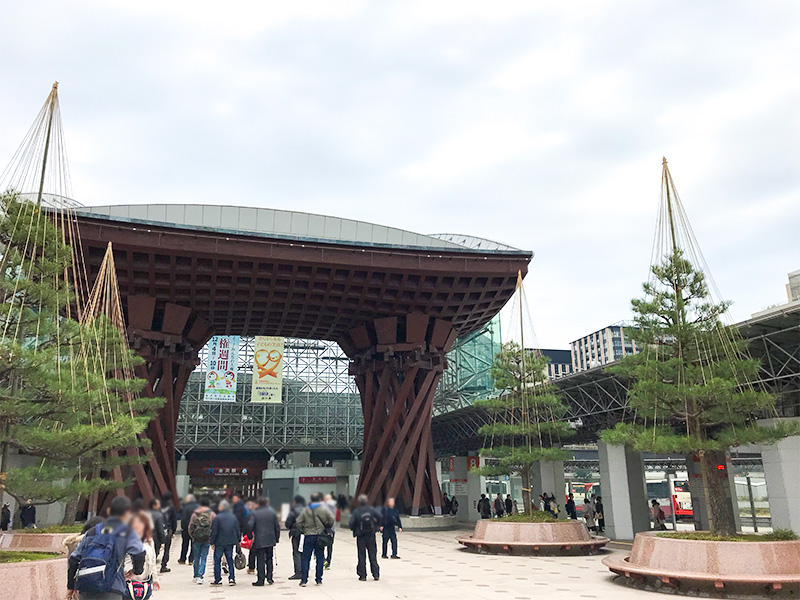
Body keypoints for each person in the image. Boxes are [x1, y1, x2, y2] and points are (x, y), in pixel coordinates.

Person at [67, 496, 145, 600]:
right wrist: (136, 570)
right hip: (112, 588)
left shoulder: (92, 531)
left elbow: (73, 559)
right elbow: (139, 554)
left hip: (86, 588)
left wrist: (71, 586)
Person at [296, 492, 334, 587]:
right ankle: (318, 579)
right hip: (320, 536)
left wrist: (304, 530)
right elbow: (331, 519)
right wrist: (326, 526)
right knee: (320, 557)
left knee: (306, 558)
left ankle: (304, 580)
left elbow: (298, 522)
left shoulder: (306, 510)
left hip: (309, 535)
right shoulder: (324, 509)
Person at [124, 510, 161, 598]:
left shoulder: (149, 540)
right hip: (129, 582)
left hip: (145, 582)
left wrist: (155, 579)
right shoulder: (126, 540)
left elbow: (153, 561)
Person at [246, 496, 280, 587]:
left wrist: (250, 536)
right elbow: (277, 527)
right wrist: (276, 538)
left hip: (259, 540)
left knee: (260, 560)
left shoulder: (255, 513)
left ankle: (261, 580)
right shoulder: (272, 513)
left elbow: (249, 525)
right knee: (269, 559)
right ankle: (270, 577)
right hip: (270, 539)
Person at [349, 494, 381, 582]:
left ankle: (362, 575)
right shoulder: (371, 509)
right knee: (373, 555)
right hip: (371, 535)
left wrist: (355, 529)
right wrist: (376, 528)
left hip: (361, 536)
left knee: (361, 556)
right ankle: (375, 574)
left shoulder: (357, 511)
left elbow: (351, 523)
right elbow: (379, 517)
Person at [210, 499, 240, 587]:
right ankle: (232, 578)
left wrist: (212, 542)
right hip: (230, 542)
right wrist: (238, 540)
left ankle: (218, 579)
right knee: (230, 560)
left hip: (219, 543)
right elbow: (237, 530)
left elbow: (214, 531)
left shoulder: (217, 518)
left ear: (221, 507)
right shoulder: (233, 517)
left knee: (217, 561)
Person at [188, 496, 215, 584]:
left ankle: (195, 576)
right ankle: (200, 576)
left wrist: (193, 536)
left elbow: (190, 527)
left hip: (196, 539)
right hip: (207, 539)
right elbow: (215, 527)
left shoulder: (195, 514)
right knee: (204, 557)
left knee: (196, 557)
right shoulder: (211, 514)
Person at [284, 495, 306, 581]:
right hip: (306, 533)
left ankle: (298, 572)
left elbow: (287, 524)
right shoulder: (307, 510)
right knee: (304, 552)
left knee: (296, 552)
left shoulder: (293, 510)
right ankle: (304, 570)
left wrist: (292, 527)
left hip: (296, 533)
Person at [159, 492, 178, 573]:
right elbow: (174, 520)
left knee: (155, 547)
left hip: (157, 529)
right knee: (167, 548)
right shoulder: (171, 507)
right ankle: (163, 565)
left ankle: (150, 565)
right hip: (168, 529)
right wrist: (173, 531)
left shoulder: (158, 506)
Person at [178, 494, 198, 565]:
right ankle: (191, 560)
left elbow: (183, 518)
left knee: (185, 544)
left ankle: (183, 559)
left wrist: (183, 527)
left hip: (186, 528)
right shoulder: (197, 507)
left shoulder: (185, 507)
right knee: (193, 544)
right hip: (195, 528)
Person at [323, 493, 338, 569]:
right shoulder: (334, 506)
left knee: (321, 544)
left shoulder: (324, 506)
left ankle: (323, 560)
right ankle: (328, 562)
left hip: (325, 528)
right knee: (330, 546)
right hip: (332, 529)